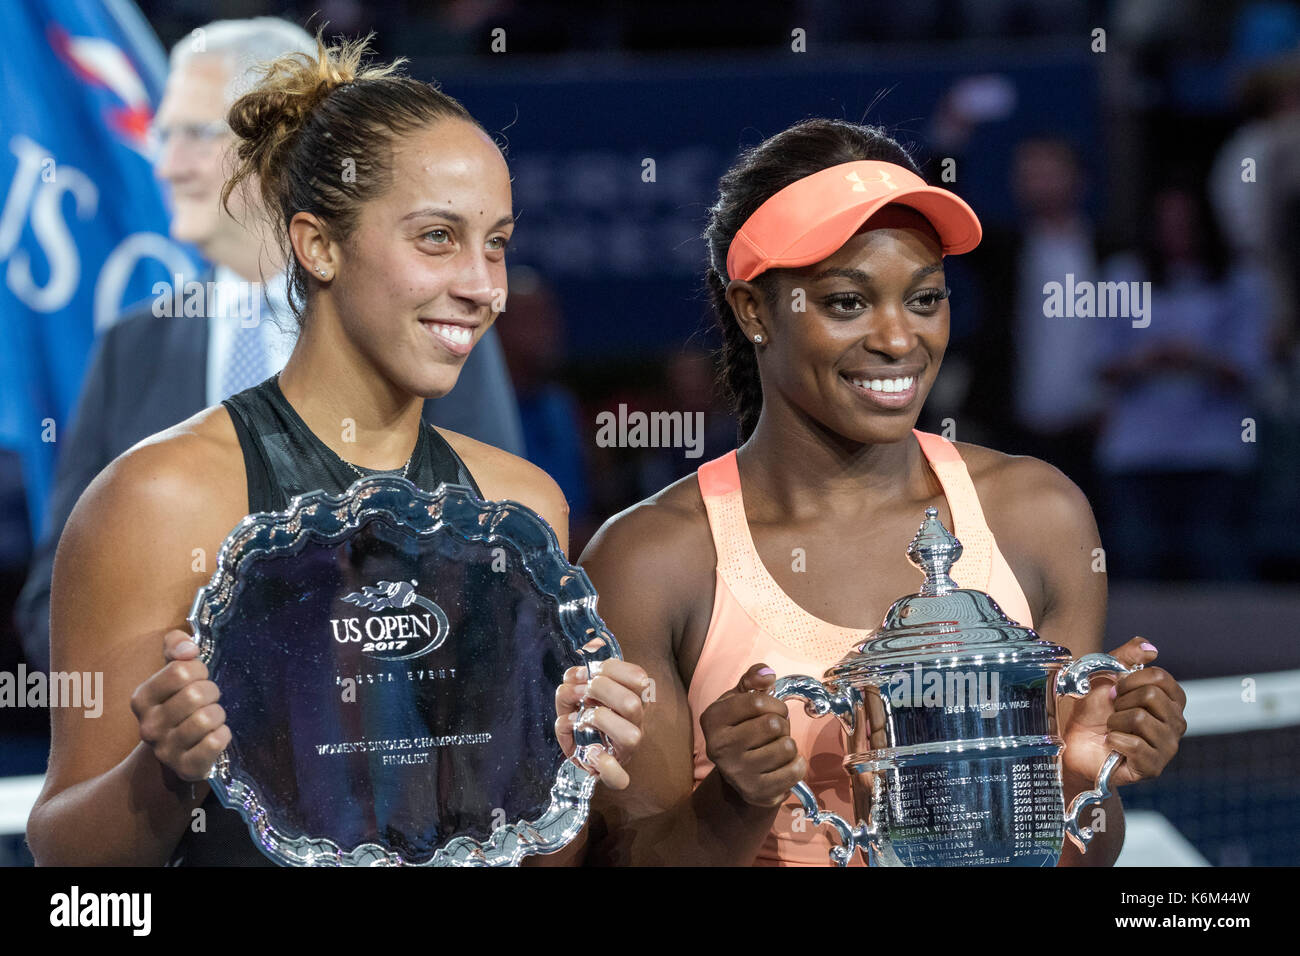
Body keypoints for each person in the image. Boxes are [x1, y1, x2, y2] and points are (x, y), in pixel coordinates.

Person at [25, 32, 645, 866]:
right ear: (318, 246)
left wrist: (575, 767)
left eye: (495, 242)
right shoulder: (158, 499)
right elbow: (68, 862)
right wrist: (165, 770)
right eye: (437, 238)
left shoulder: (521, 505)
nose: (484, 285)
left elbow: (526, 849)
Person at [578, 119, 1187, 866]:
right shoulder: (649, 559)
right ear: (753, 310)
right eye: (847, 303)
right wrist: (731, 804)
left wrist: (1078, 781)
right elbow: (617, 860)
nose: (900, 340)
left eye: (926, 299)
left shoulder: (1039, 515)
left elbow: (1078, 852)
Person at [15, 17, 525, 675]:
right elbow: (51, 600)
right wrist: (183, 691)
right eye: (161, 134)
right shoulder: (131, 349)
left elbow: (492, 557)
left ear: (281, 145)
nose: (167, 164)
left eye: (195, 134)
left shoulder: (423, 325)